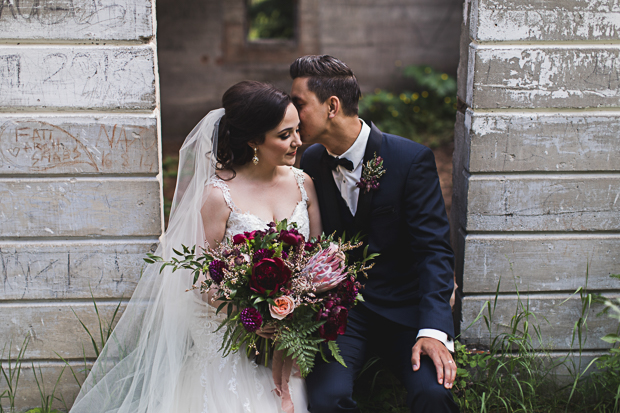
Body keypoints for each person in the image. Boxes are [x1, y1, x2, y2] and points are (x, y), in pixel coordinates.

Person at [68, 81, 320, 413]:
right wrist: (250, 316)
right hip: (230, 337)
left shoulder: (304, 183)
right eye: (285, 135)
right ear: (254, 141)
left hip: (289, 335)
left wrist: (297, 310)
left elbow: (317, 259)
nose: (298, 142)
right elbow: (200, 276)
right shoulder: (219, 194)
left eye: (297, 130)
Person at [292, 55, 459, 413]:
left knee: (433, 394)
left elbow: (435, 252)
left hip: (406, 312)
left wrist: (432, 329)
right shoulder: (310, 161)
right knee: (324, 399)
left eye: (299, 104)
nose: (291, 113)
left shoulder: (410, 160)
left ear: (332, 106)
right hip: (343, 316)